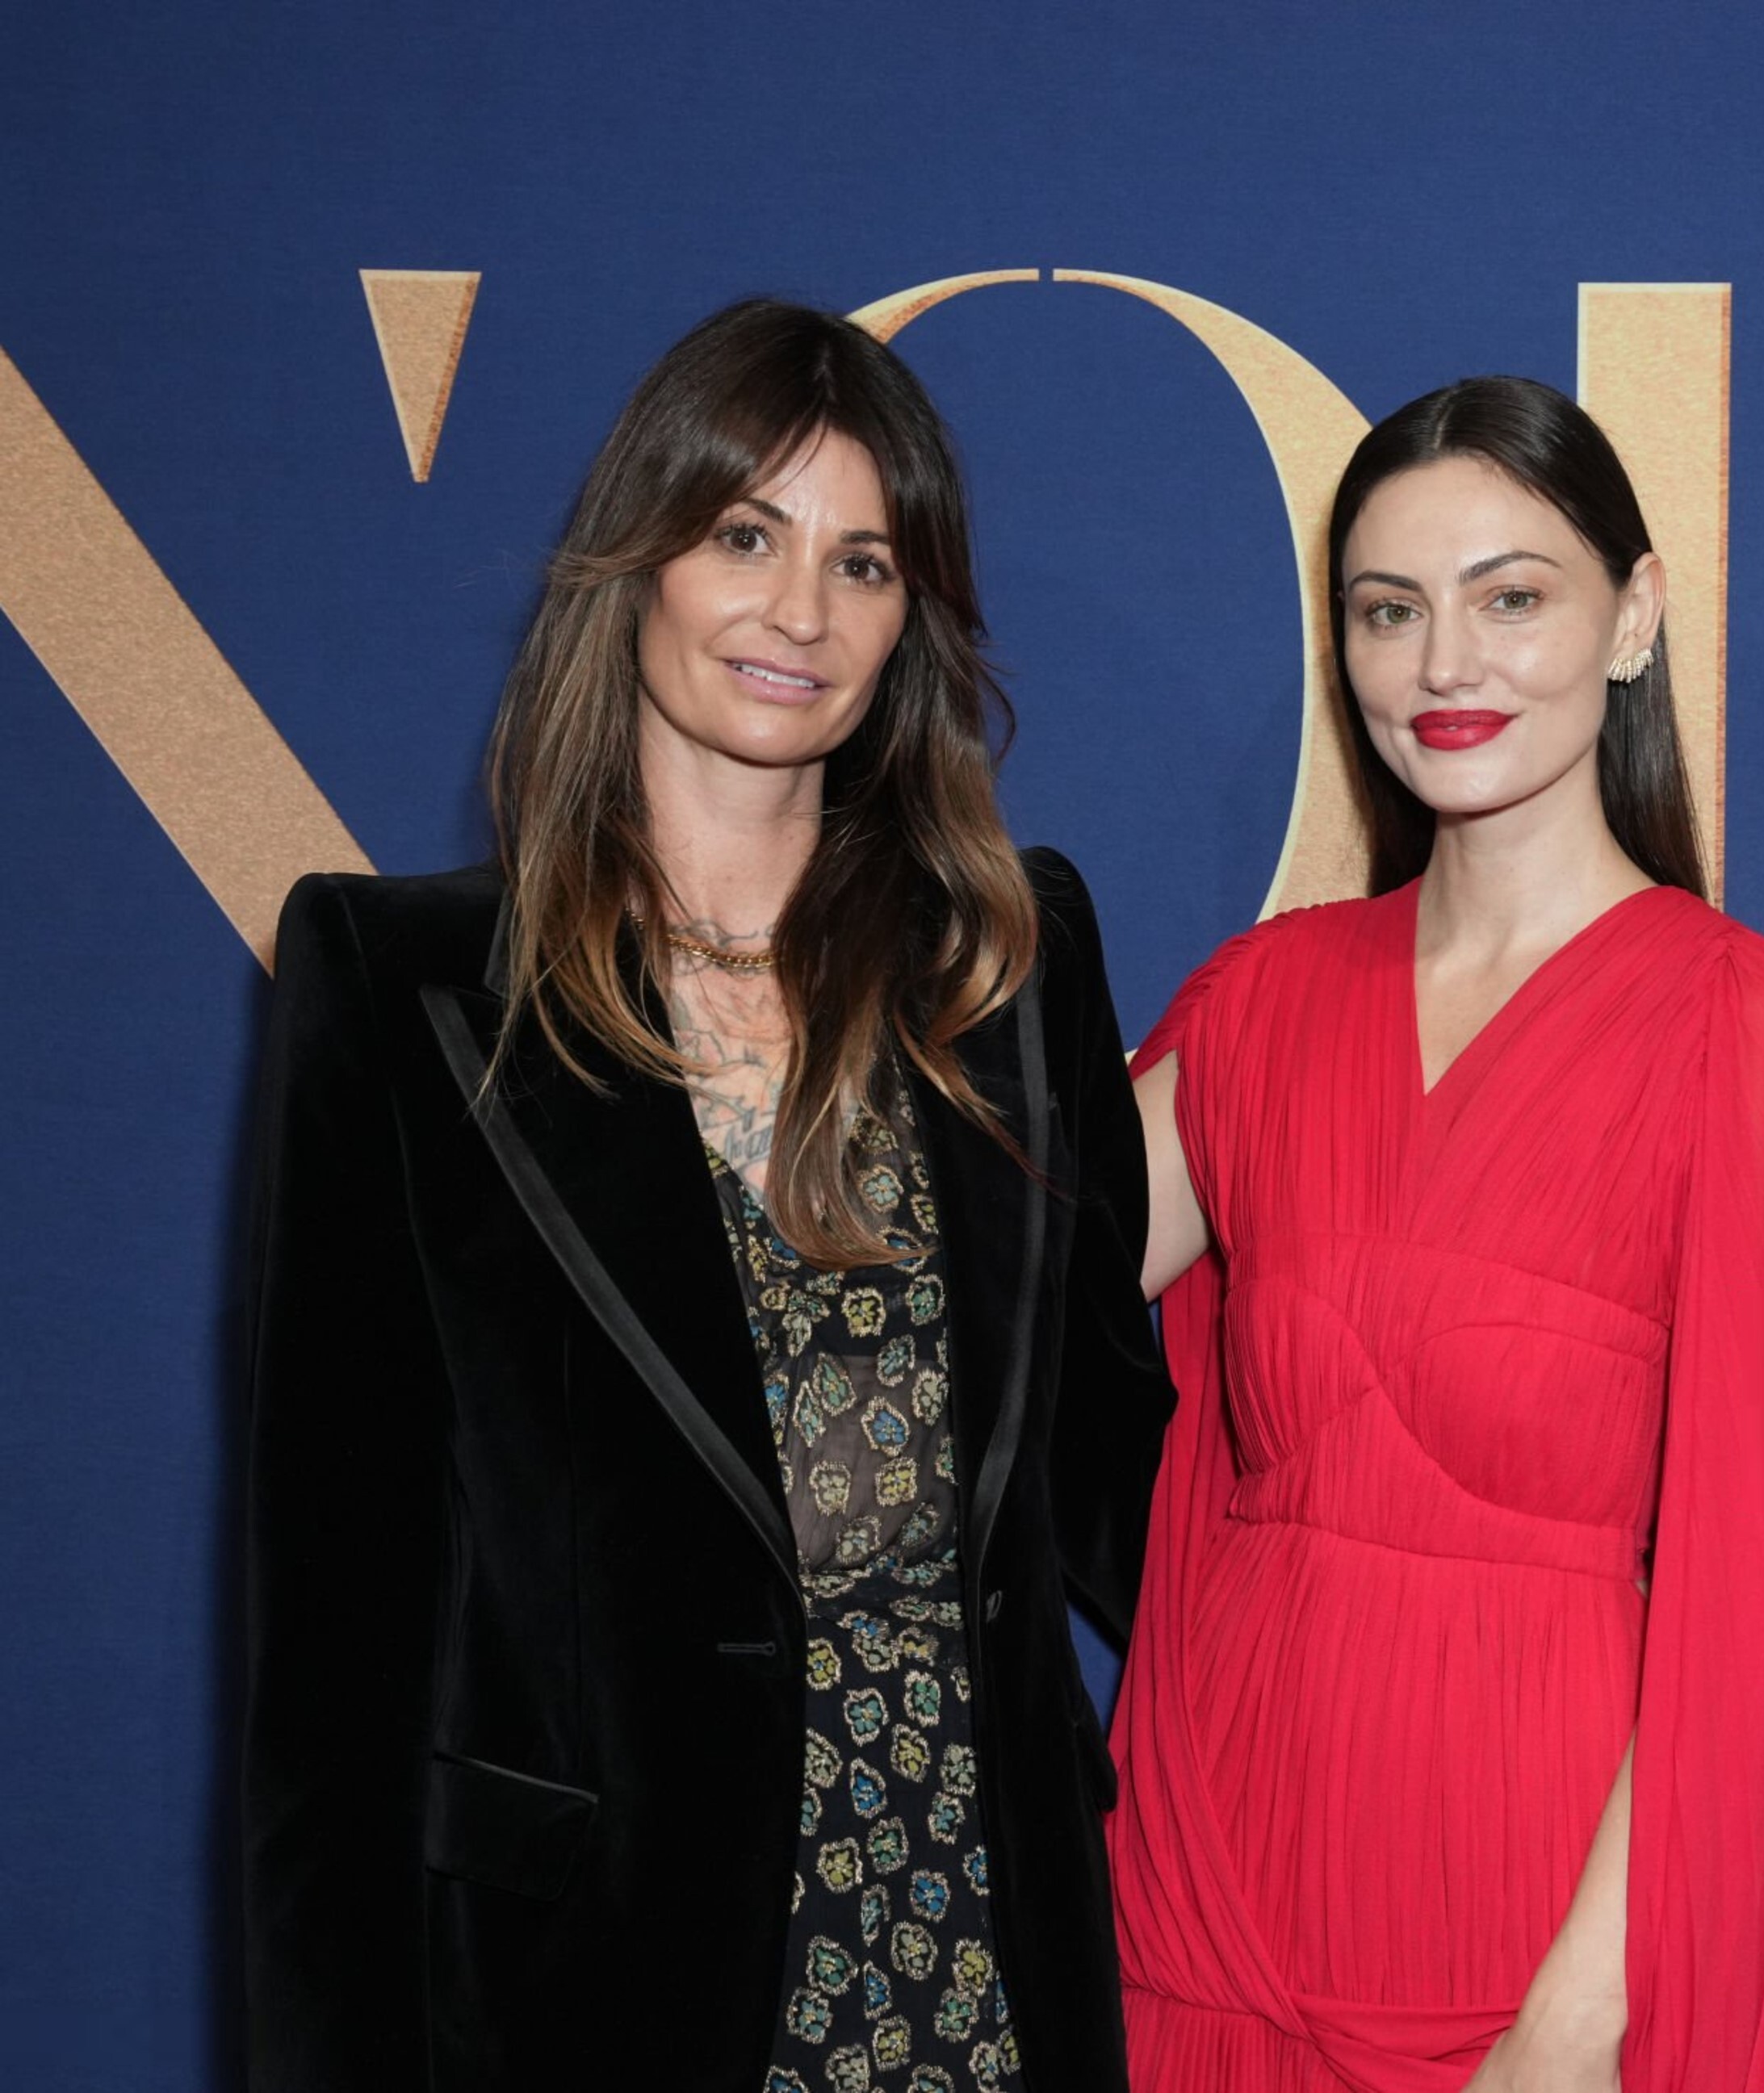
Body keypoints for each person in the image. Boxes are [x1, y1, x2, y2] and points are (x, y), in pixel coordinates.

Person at [240, 299, 1174, 2093]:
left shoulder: (1008, 962)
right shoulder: (405, 989)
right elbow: (333, 1660)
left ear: (911, 618)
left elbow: (1120, 1474)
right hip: (600, 1986)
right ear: (642, 558)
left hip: (985, 1967)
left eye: (863, 562)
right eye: (747, 535)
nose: (800, 611)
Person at [1109, 376, 1764, 2093]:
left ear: (1635, 615)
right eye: (1390, 611)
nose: (1446, 664)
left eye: (1511, 596)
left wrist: (1580, 2016)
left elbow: (1757, 1599)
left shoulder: (1744, 1029)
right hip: (1207, 1909)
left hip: (1524, 1942)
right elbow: (975, 1305)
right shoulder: (1261, 1005)